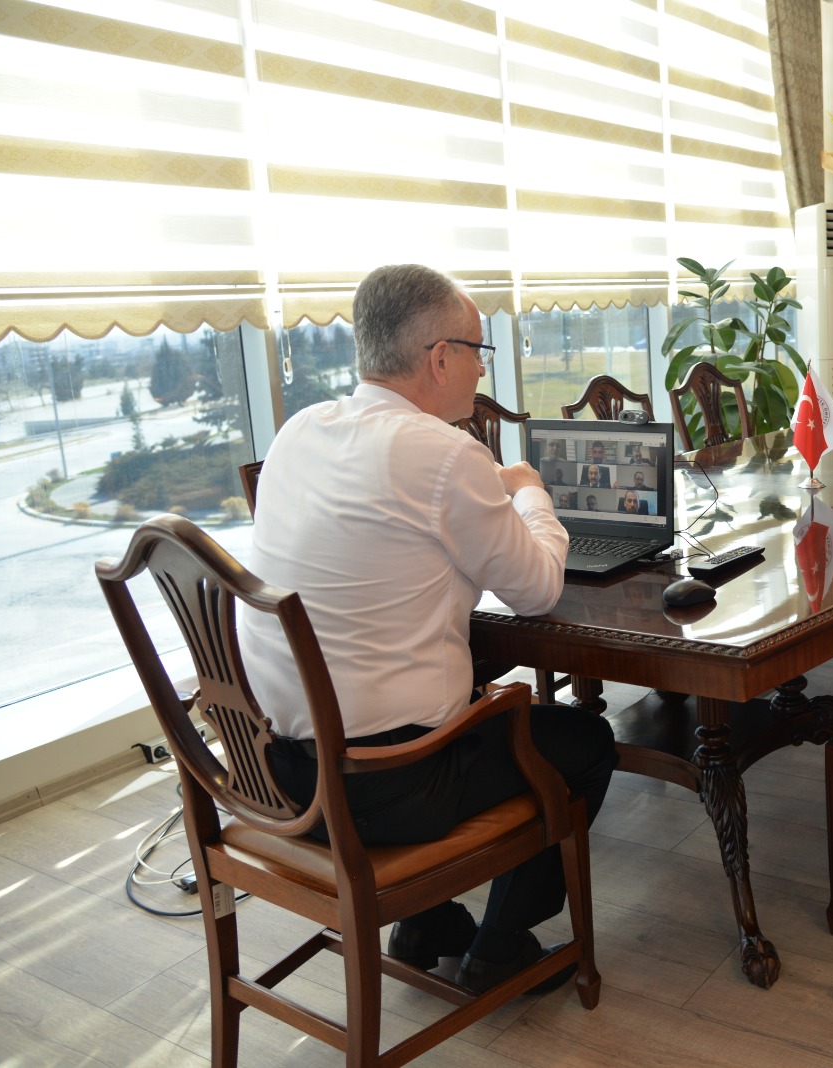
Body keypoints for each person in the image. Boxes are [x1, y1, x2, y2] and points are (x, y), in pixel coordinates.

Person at [241, 263, 617, 998]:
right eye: (478, 350)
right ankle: (500, 949)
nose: (482, 367)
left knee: (453, 697)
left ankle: (427, 925)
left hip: (277, 770)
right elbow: (538, 590)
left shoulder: (299, 431)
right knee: (585, 744)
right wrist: (530, 493)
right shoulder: (445, 454)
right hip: (384, 785)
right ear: (440, 358)